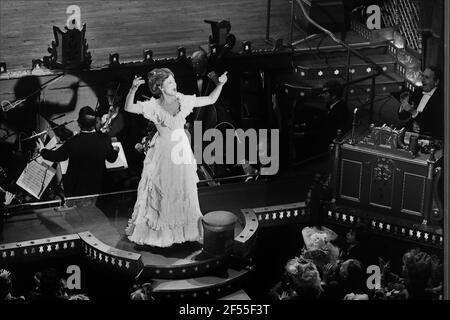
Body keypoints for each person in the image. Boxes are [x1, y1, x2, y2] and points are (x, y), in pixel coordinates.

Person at [124, 67, 228, 247]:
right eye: (170, 82)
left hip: (181, 151)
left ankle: (188, 232)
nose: (175, 84)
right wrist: (133, 89)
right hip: (163, 153)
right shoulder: (153, 106)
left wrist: (220, 84)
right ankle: (163, 234)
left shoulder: (184, 100)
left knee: (184, 190)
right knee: (164, 191)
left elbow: (211, 99)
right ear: (160, 86)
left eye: (174, 81)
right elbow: (129, 107)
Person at [38, 106, 119, 197]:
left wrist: (42, 150)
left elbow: (56, 156)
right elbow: (112, 158)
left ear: (79, 123)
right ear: (95, 122)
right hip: (97, 188)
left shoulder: (73, 142)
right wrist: (116, 150)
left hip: (76, 190)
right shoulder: (104, 139)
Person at [398, 66, 444, 140]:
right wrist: (403, 104)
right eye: (422, 76)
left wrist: (413, 111)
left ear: (436, 82)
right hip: (410, 133)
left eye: (427, 77)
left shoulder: (441, 98)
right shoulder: (418, 91)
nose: (422, 80)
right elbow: (402, 117)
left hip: (429, 138)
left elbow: (435, 123)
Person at [322, 80, 351, 144]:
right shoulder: (330, 105)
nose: (322, 95)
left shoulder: (340, 110)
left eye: (325, 93)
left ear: (334, 96)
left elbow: (330, 132)